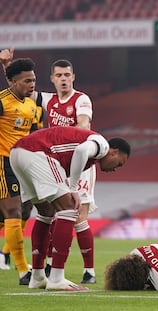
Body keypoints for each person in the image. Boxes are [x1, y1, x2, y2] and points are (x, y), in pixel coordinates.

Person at [0, 48, 97, 284]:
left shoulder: (81, 99)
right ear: (52, 79)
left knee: (76, 214)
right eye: (59, 75)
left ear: (73, 77)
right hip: (50, 163)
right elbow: (16, 89)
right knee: (48, 212)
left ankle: (88, 271)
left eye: (67, 75)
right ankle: (41, 270)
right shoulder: (46, 100)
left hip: (80, 161)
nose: (63, 79)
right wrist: (7, 66)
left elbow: (83, 126)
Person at [9, 126, 130, 291]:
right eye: (120, 164)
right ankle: (57, 278)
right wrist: (73, 188)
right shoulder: (101, 145)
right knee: (69, 209)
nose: (116, 168)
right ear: (113, 152)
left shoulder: (93, 155)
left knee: (46, 213)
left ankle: (37, 277)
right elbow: (81, 150)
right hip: (38, 153)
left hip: (17, 153)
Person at [0, 57, 38, 284]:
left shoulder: (31, 105)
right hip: (3, 162)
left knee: (22, 212)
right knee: (13, 212)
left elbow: (32, 136)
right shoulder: (3, 102)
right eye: (26, 81)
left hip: (22, 164)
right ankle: (24, 271)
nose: (32, 84)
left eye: (33, 80)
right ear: (13, 82)